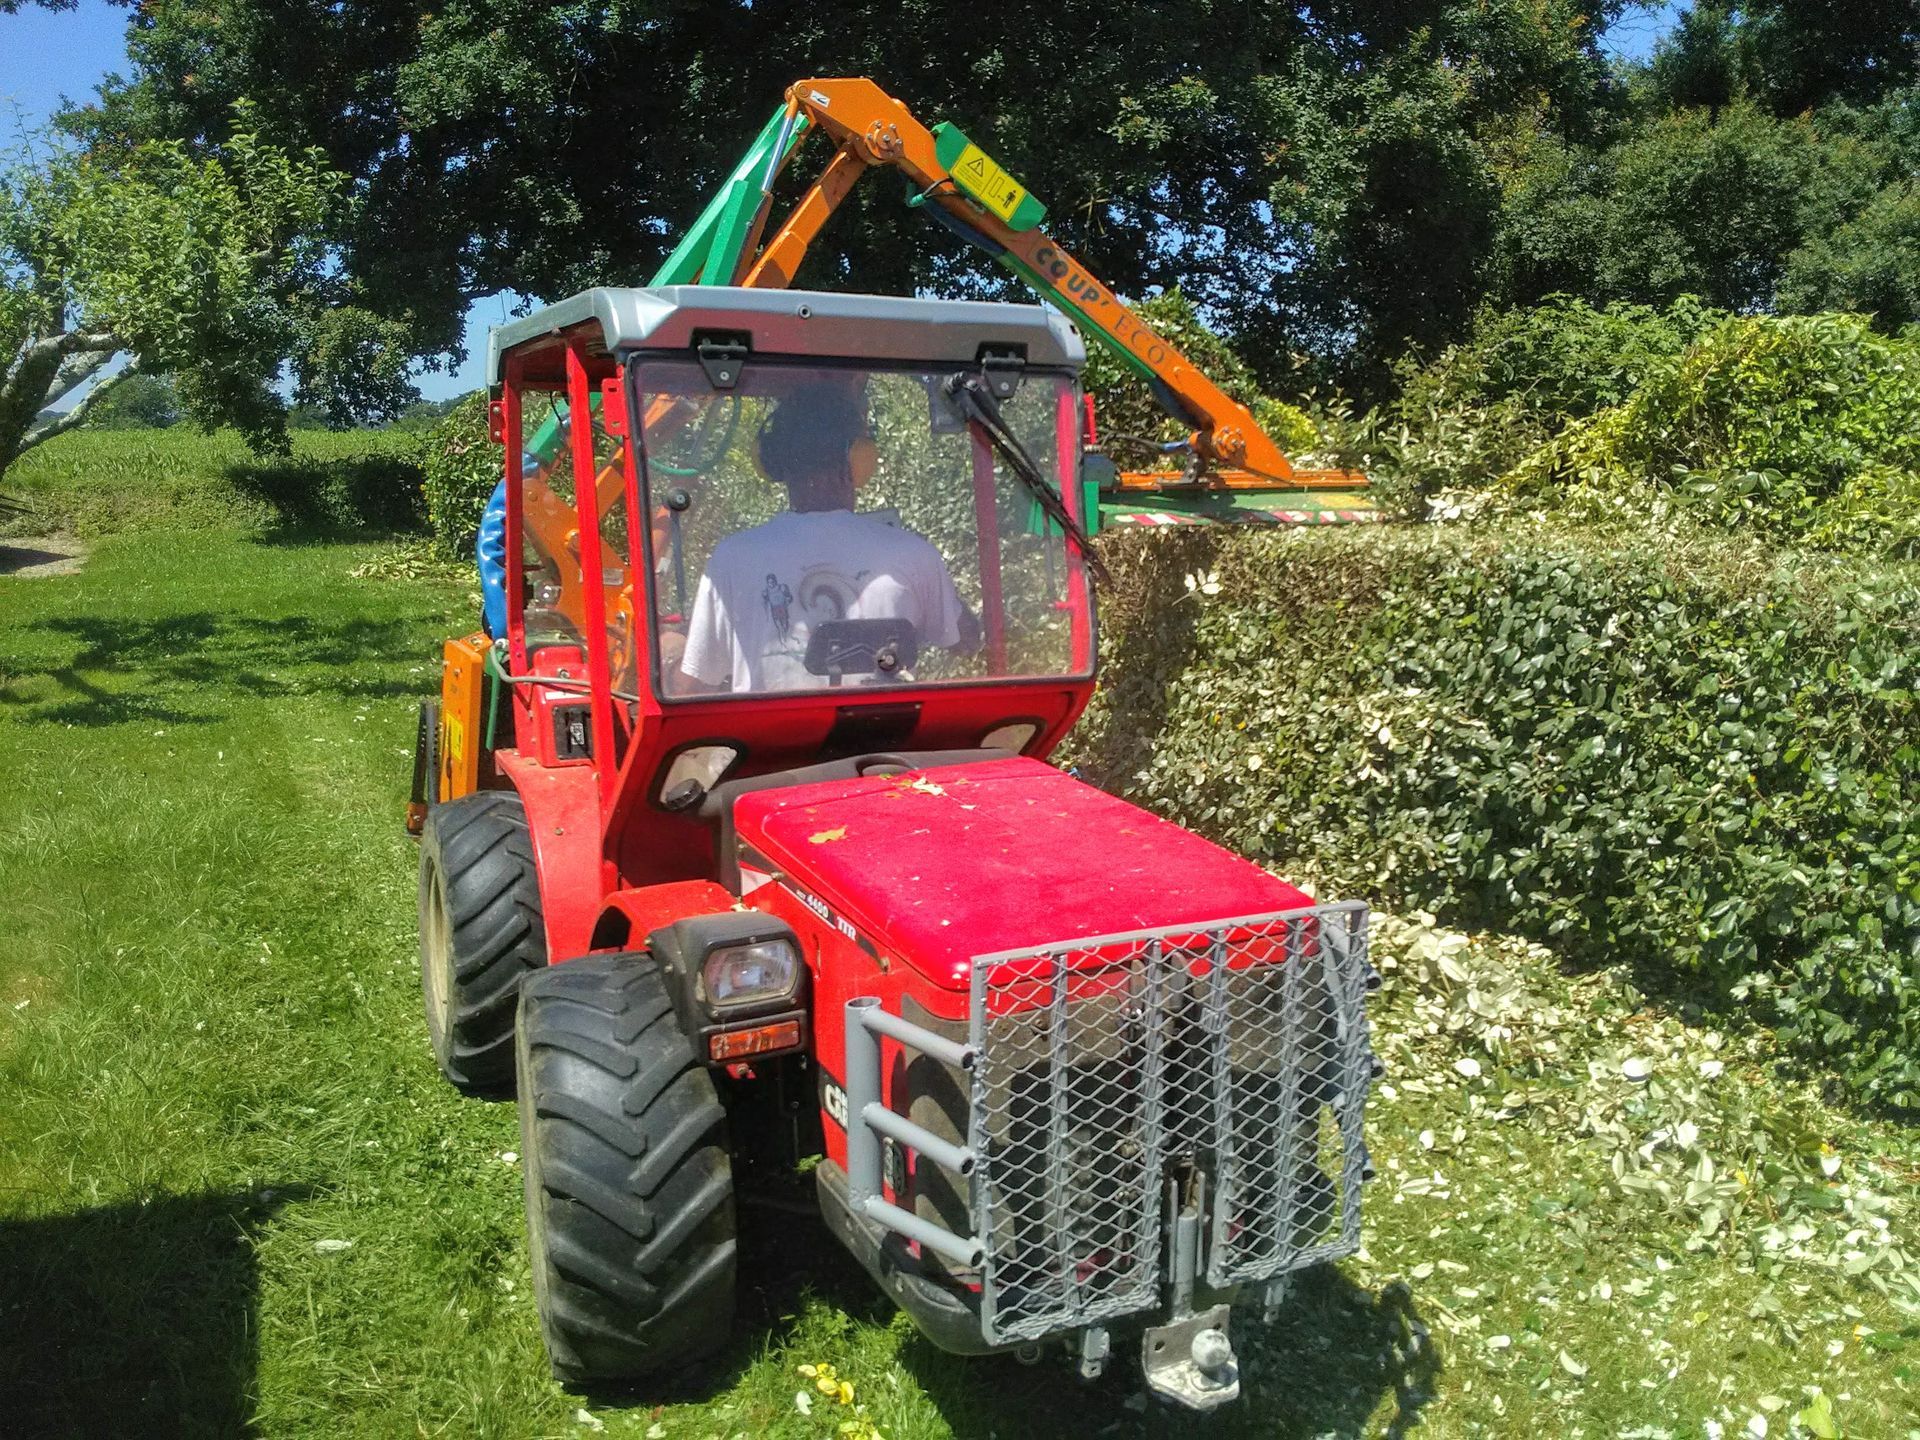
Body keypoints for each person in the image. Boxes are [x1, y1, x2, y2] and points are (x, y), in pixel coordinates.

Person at [678, 380, 977, 692]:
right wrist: (946, 596)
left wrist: (671, 656)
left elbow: (694, 685)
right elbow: (965, 642)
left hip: (772, 740)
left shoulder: (732, 559)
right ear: (857, 461)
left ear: (775, 464)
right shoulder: (914, 555)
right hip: (885, 737)